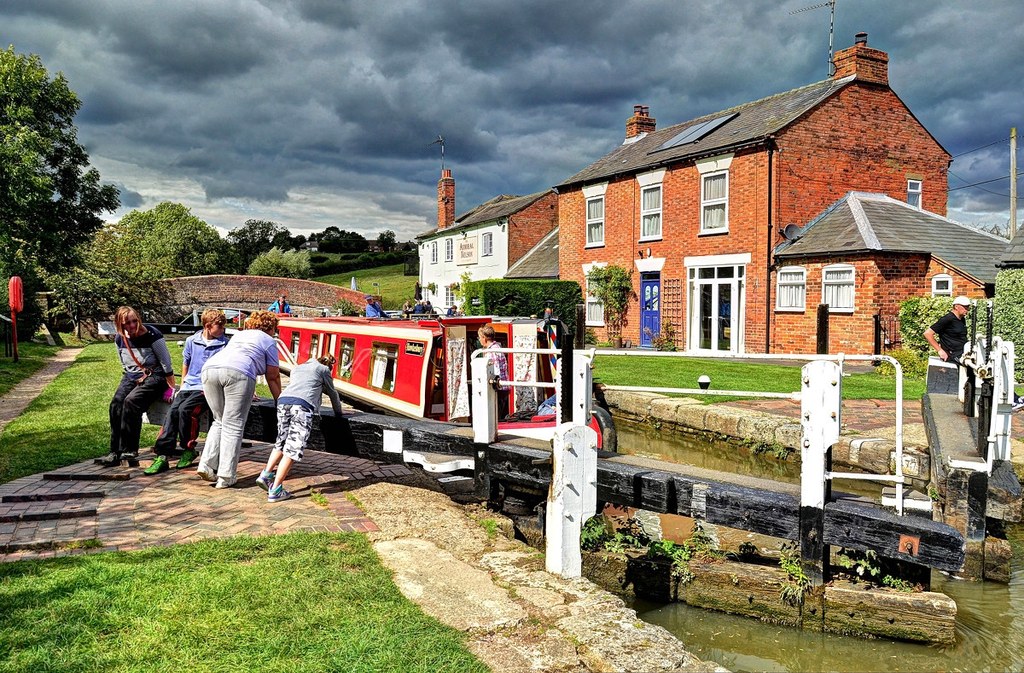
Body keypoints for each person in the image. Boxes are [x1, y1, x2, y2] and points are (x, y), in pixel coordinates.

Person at [196, 310, 282, 488]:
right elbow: (273, 376)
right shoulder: (268, 341)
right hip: (239, 372)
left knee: (219, 421)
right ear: (270, 327)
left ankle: (206, 465)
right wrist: (279, 402)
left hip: (210, 369)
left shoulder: (238, 336)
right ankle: (226, 476)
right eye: (275, 328)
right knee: (233, 425)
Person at [144, 309, 228, 475]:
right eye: (220, 326)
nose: (223, 329)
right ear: (208, 326)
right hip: (190, 385)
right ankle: (162, 454)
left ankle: (188, 449)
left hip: (207, 387)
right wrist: (183, 383)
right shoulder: (191, 341)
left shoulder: (225, 344)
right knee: (173, 412)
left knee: (186, 410)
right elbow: (186, 362)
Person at [257, 354, 343, 502]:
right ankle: (276, 489)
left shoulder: (297, 368)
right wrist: (339, 413)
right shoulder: (323, 370)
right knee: (293, 447)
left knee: (281, 441)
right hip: (302, 407)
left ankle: (266, 474)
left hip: (283, 402)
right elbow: (333, 393)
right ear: (329, 365)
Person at [97, 306, 176, 467]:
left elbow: (165, 362)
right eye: (128, 323)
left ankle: (129, 449)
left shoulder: (152, 334)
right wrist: (132, 378)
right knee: (116, 404)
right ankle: (115, 451)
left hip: (155, 376)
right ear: (120, 324)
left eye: (135, 321)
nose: (133, 325)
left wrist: (171, 386)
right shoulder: (120, 338)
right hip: (131, 376)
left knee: (132, 401)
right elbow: (124, 362)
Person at [924, 296, 971, 364]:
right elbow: (928, 333)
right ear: (956, 307)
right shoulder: (947, 319)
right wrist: (940, 350)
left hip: (962, 353)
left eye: (968, 307)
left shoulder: (962, 319)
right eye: (965, 307)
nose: (967, 309)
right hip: (952, 356)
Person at [478, 325, 510, 419]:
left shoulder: (492, 351)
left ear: (484, 338)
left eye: (479, 338)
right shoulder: (497, 347)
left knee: (495, 416)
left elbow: (494, 371)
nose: (479, 340)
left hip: (498, 388)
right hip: (503, 387)